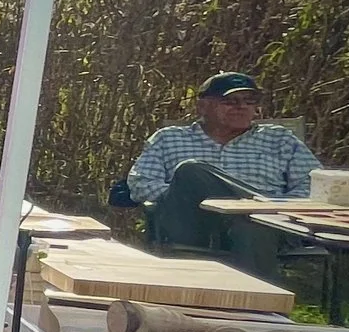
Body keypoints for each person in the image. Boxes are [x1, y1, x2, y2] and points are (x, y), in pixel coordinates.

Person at [127, 71, 321, 275]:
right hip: (196, 225)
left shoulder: (279, 139)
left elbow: (315, 185)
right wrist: (183, 192)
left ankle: (256, 304)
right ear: (202, 106)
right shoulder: (169, 139)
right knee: (191, 171)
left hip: (267, 224)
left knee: (252, 226)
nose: (242, 107)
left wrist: (274, 208)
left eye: (250, 100)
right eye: (230, 101)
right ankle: (251, 211)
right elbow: (141, 183)